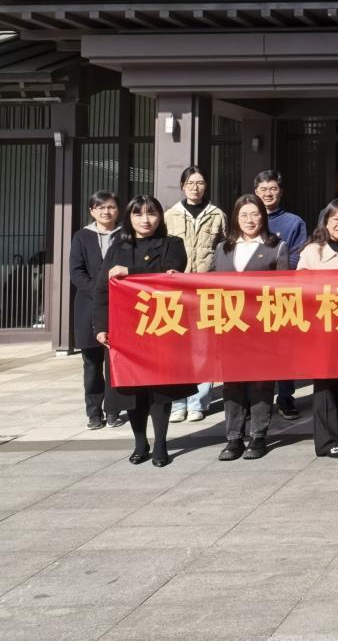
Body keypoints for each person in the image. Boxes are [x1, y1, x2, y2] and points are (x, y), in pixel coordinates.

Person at [93, 195, 193, 467]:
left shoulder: (172, 244)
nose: (145, 220)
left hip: (160, 327)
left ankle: (161, 444)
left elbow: (170, 272)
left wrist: (130, 271)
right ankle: (140, 443)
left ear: (160, 217)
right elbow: (102, 289)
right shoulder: (117, 247)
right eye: (138, 214)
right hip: (124, 330)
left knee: (160, 390)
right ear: (129, 218)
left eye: (151, 213)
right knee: (131, 389)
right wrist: (100, 327)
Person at [212, 194, 288, 461]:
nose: (250, 220)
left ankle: (258, 436)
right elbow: (211, 286)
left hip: (262, 328)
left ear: (263, 217)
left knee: (261, 383)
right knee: (231, 384)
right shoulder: (223, 248)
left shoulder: (276, 246)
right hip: (230, 327)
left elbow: (284, 291)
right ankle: (233, 437)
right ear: (235, 218)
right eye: (243, 215)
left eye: (255, 214)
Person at [297, 198, 338, 458]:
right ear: (325, 221)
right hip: (322, 328)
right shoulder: (313, 251)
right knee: (325, 383)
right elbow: (300, 288)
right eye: (335, 219)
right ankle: (328, 440)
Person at [164, 165, 225, 423]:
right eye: (190, 183)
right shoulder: (170, 216)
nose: (195, 187)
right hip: (176, 291)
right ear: (182, 186)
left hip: (206, 291)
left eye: (200, 182)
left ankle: (198, 402)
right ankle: (178, 402)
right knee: (177, 348)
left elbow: (224, 250)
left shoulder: (217, 215)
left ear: (206, 186)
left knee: (203, 348)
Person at [254, 169, 307, 420]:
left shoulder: (294, 222)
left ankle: (285, 396)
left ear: (281, 192)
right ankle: (254, 398)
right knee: (254, 348)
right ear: (256, 192)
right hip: (251, 296)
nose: (268, 193)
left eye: (273, 189)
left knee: (284, 348)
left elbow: (297, 256)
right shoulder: (247, 218)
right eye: (263, 189)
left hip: (282, 294)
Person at [70, 191, 124, 430]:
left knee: (114, 361)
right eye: (100, 208)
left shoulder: (125, 235)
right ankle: (93, 413)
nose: (106, 212)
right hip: (88, 306)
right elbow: (76, 271)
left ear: (118, 210)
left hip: (120, 306)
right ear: (92, 211)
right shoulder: (82, 236)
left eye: (111, 207)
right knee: (91, 363)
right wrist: (99, 291)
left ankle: (113, 410)